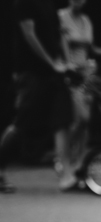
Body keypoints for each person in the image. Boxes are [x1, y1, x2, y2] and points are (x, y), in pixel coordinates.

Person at [0, 0, 71, 193]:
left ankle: (66, 174)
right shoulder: (24, 3)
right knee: (22, 124)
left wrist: (65, 62)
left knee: (62, 119)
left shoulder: (50, 4)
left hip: (53, 73)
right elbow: (29, 34)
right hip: (31, 73)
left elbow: (59, 35)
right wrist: (51, 63)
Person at [57, 0, 101, 191]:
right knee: (78, 120)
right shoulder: (61, 17)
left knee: (86, 123)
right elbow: (61, 46)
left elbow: (90, 49)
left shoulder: (85, 19)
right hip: (72, 75)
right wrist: (68, 68)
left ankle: (78, 166)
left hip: (87, 76)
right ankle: (64, 162)